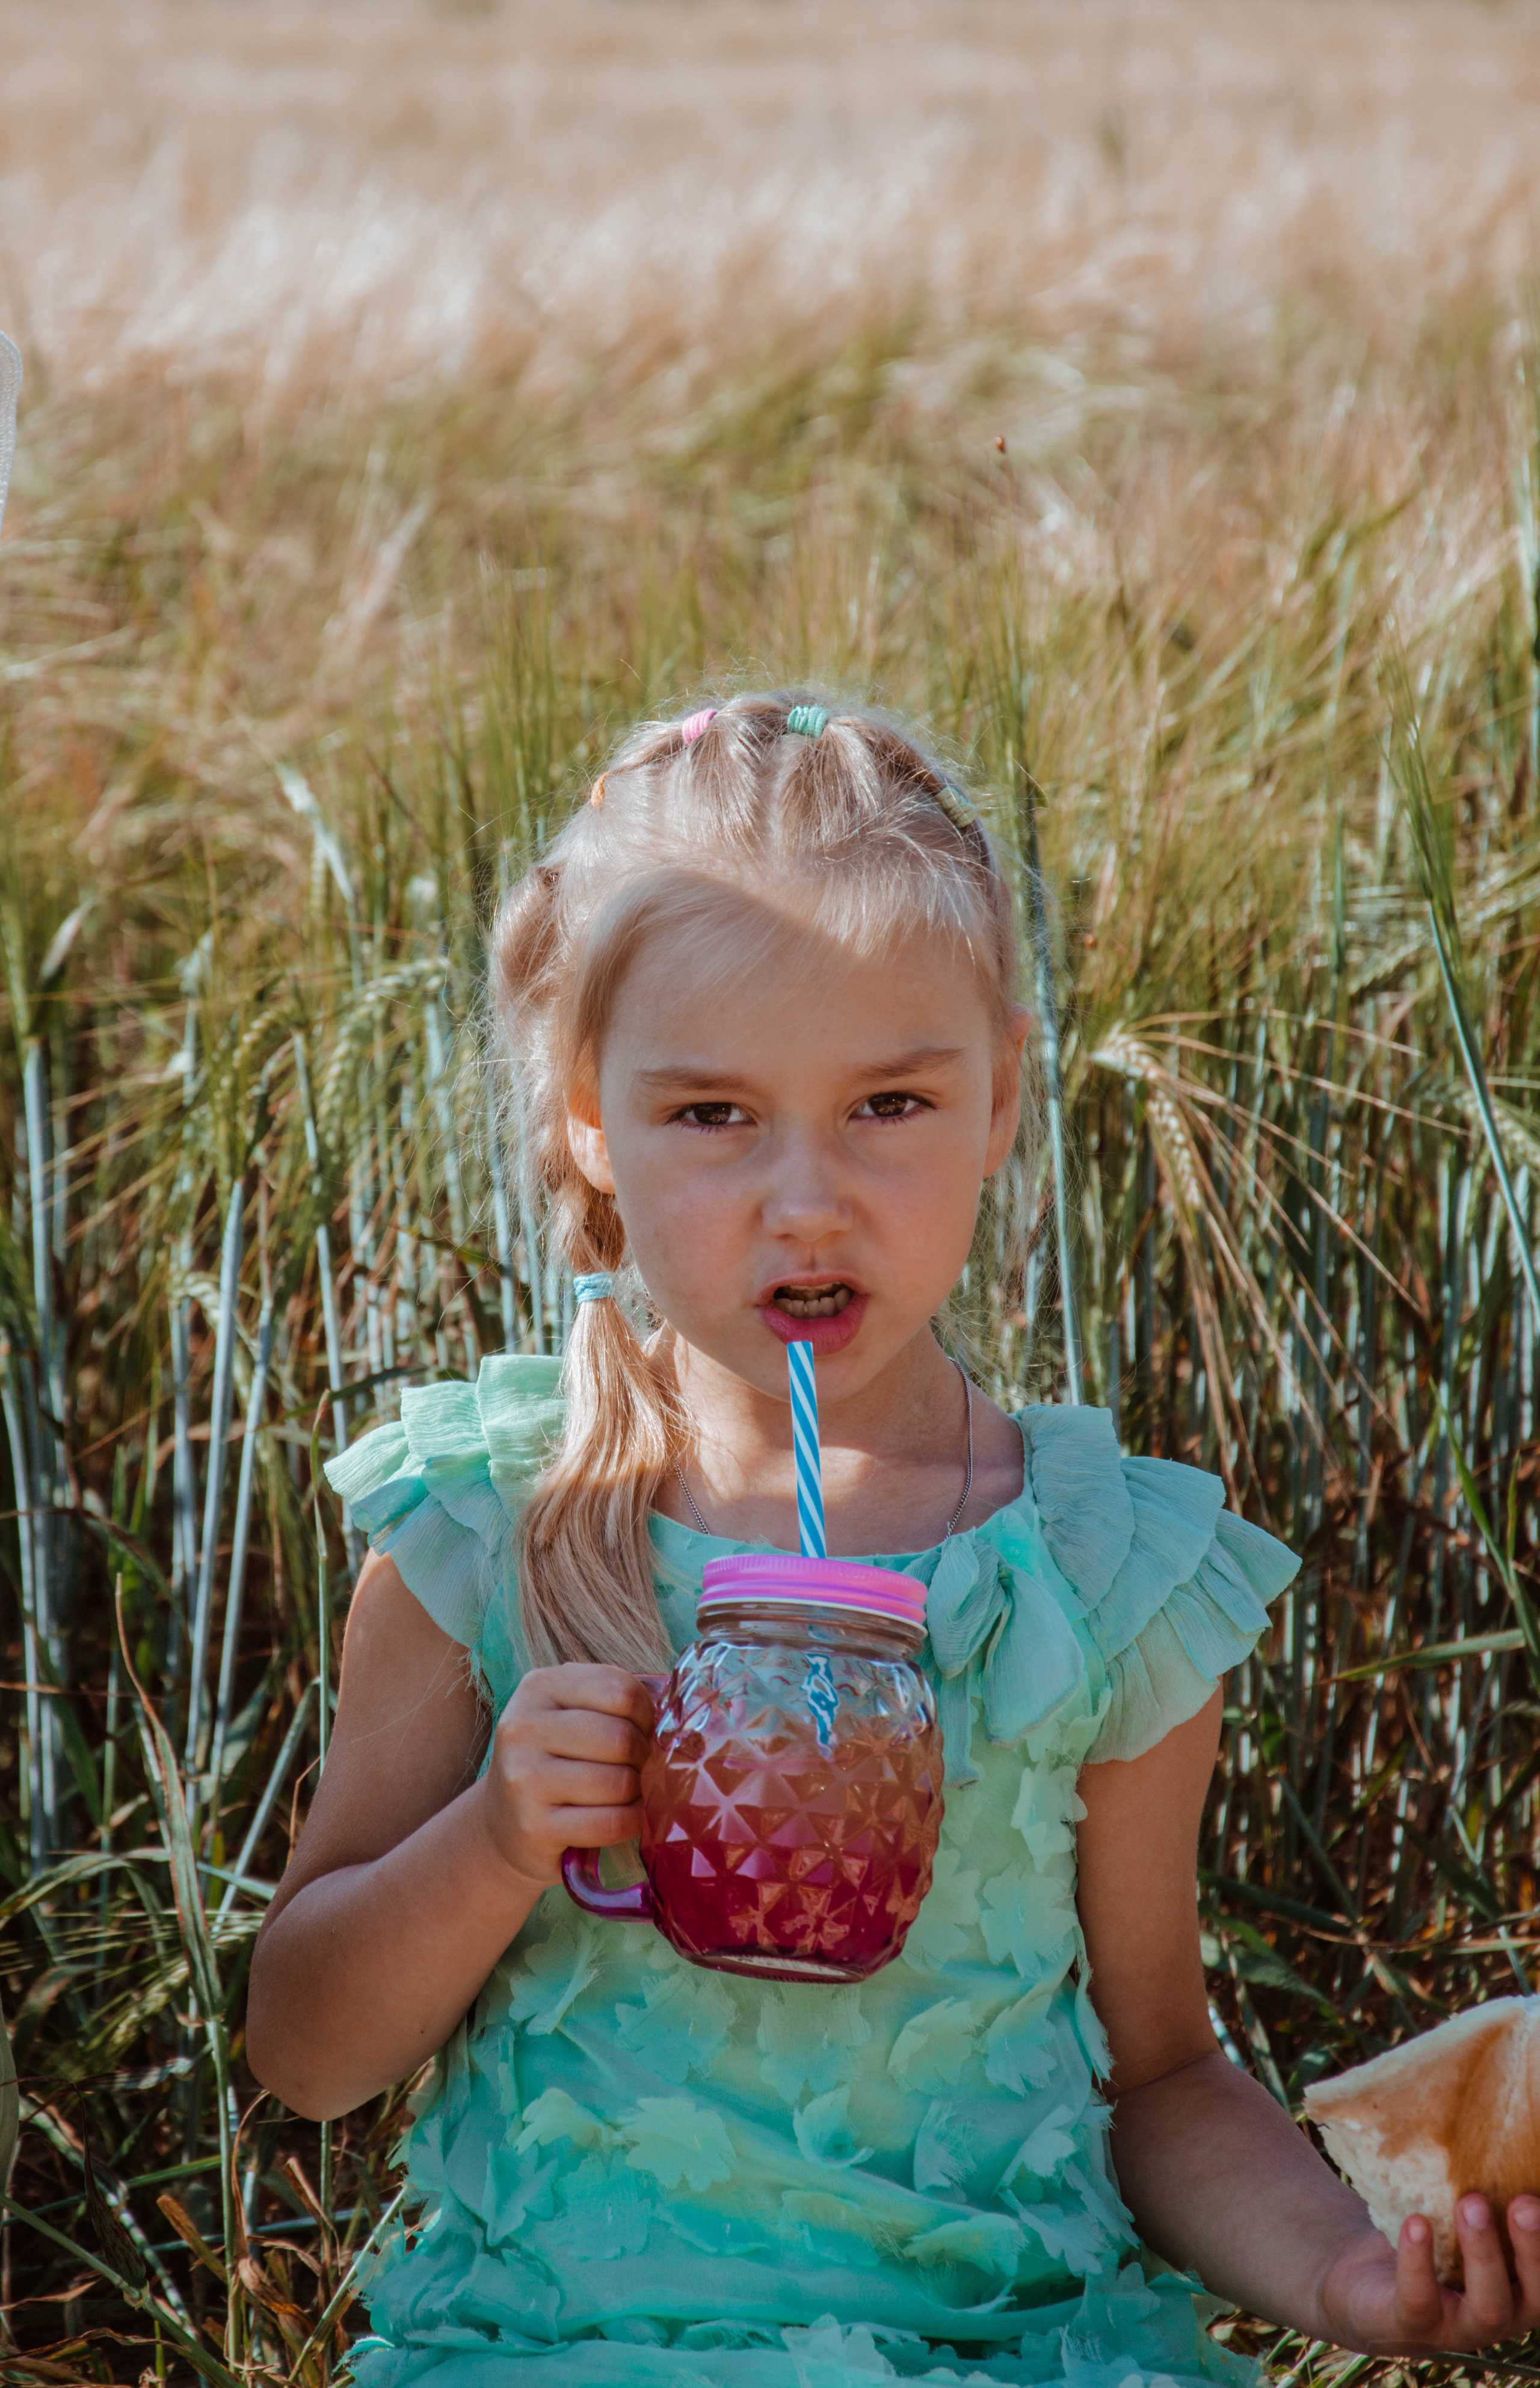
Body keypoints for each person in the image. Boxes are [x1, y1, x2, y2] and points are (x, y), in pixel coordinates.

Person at [247, 693, 1540, 2387]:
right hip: (567, 2351)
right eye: (712, 1113)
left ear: (1002, 1093)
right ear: (587, 1114)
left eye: (892, 1105)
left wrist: (1351, 2277)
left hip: (1005, 2354)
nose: (808, 1196)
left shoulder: (1091, 1576)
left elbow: (1159, 2074)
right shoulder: (493, 1534)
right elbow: (306, 2048)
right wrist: (495, 1838)